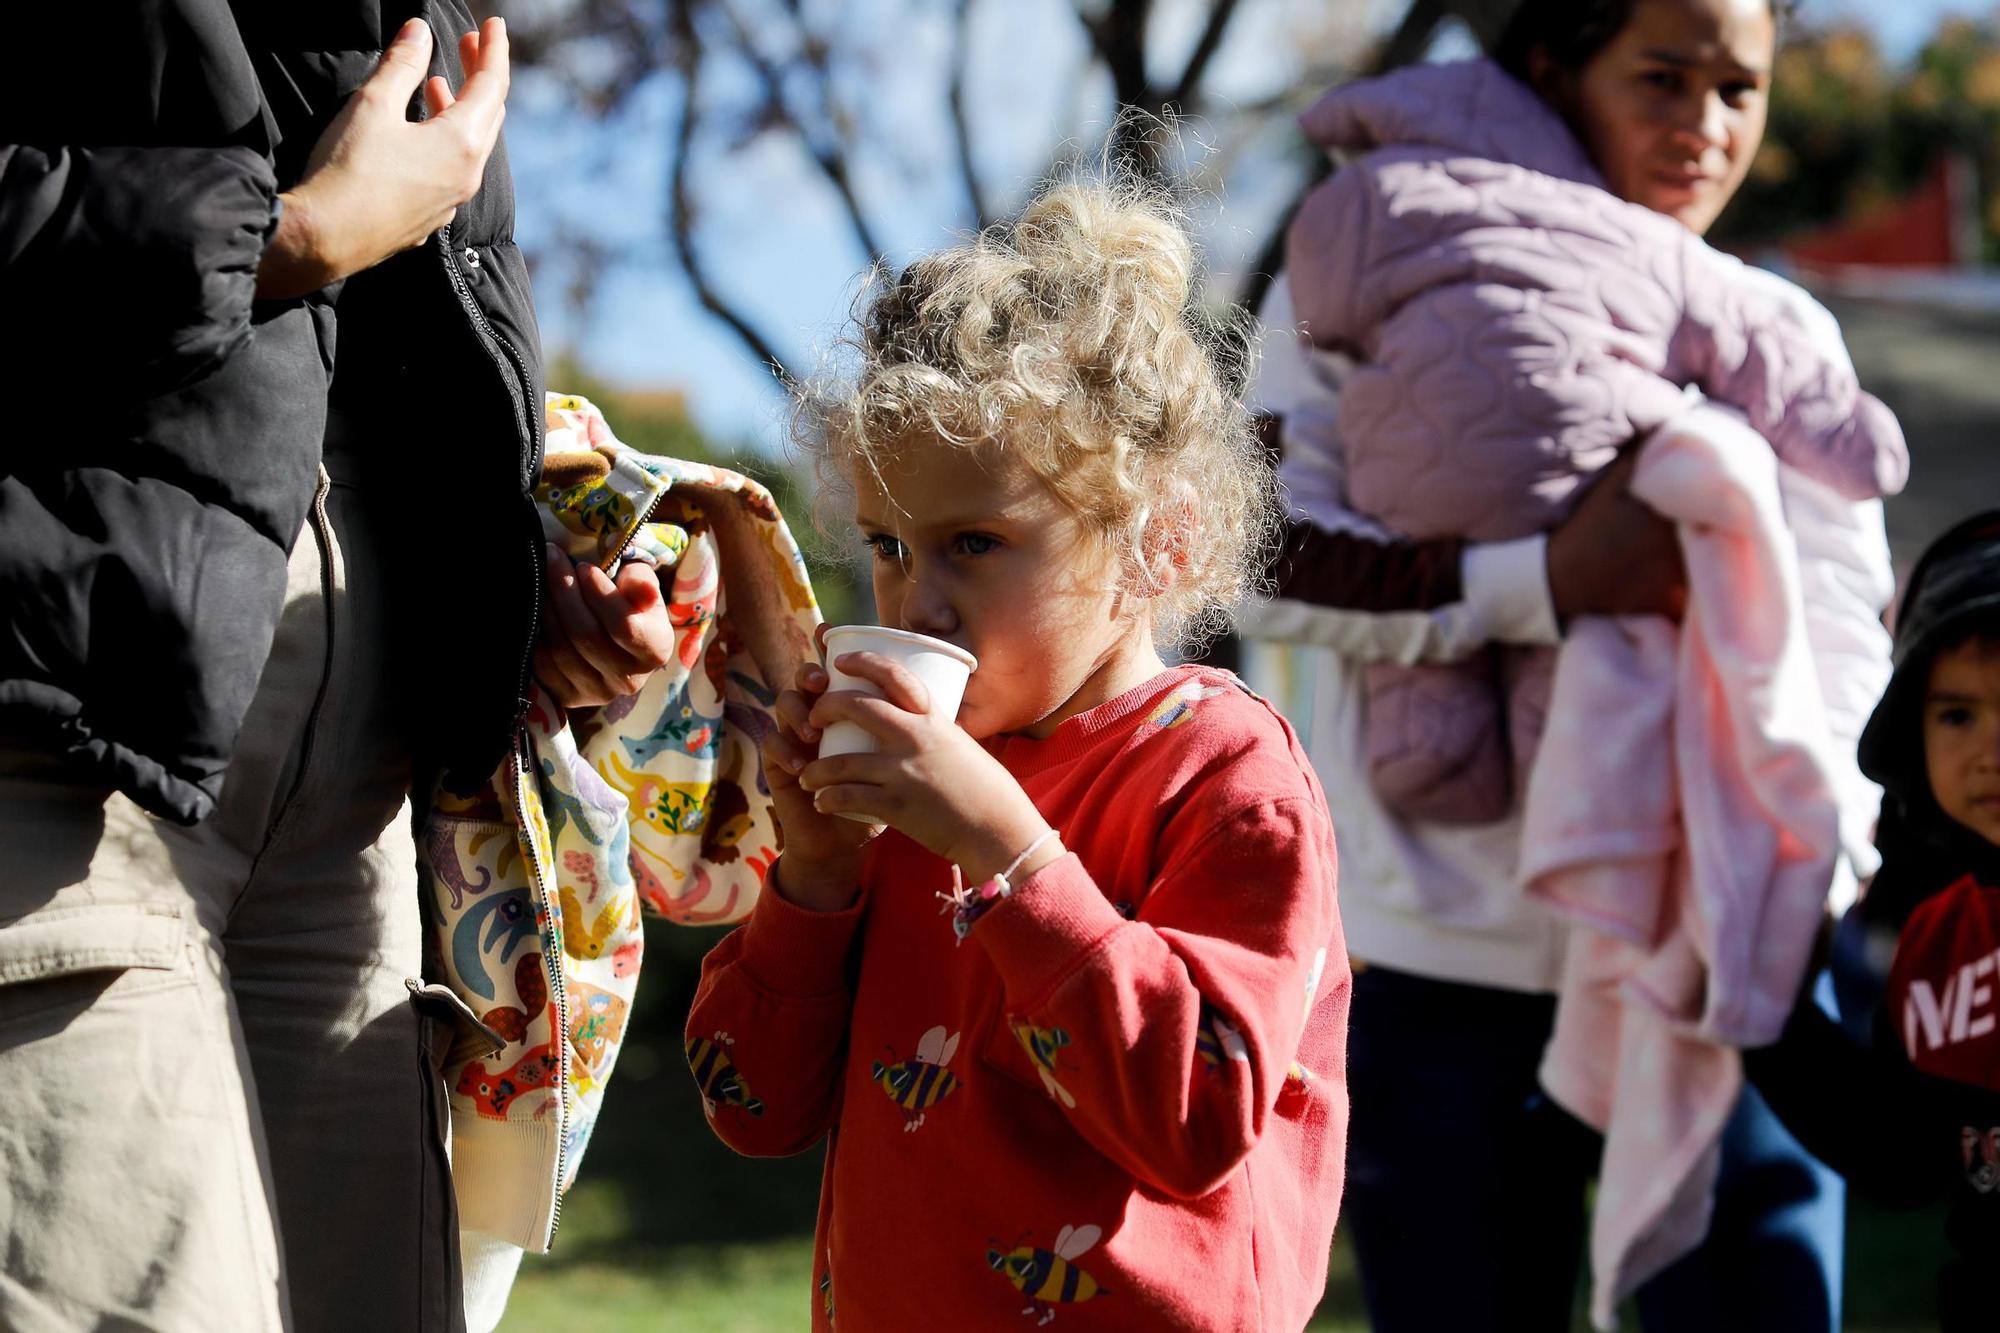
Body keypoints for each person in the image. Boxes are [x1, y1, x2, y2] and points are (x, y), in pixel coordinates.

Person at [0, 7, 670, 1329]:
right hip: (69, 748)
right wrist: (285, 238)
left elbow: (380, 352)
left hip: (355, 826)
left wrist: (518, 578)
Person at [1240, 0, 1895, 1327]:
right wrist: (1539, 578)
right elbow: (1252, 549)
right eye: (1661, 77)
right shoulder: (1360, 258)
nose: (1704, 125)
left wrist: (1817, 873)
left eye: (1738, 89)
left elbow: (1843, 640)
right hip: (1437, 957)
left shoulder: (1778, 334)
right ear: (1549, 71)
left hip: (1727, 955)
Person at [683, 178, 1348, 1331]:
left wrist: (1005, 849)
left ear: (1156, 545)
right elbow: (752, 1107)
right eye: (888, 545)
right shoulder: (908, 780)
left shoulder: (1226, 775)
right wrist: (816, 877)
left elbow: (1195, 1118)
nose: (916, 601)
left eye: (974, 543)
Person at [1747, 512, 2000, 1333]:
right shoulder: (1939, 936)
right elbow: (1901, 1153)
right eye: (1957, 715)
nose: (1989, 749)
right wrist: (1770, 1020)